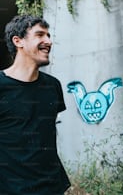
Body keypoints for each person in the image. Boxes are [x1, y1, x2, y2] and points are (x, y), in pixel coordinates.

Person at [0, 15, 70, 194]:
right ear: (18, 41)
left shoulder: (53, 85)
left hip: (53, 188)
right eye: (40, 35)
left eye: (48, 35)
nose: (48, 41)